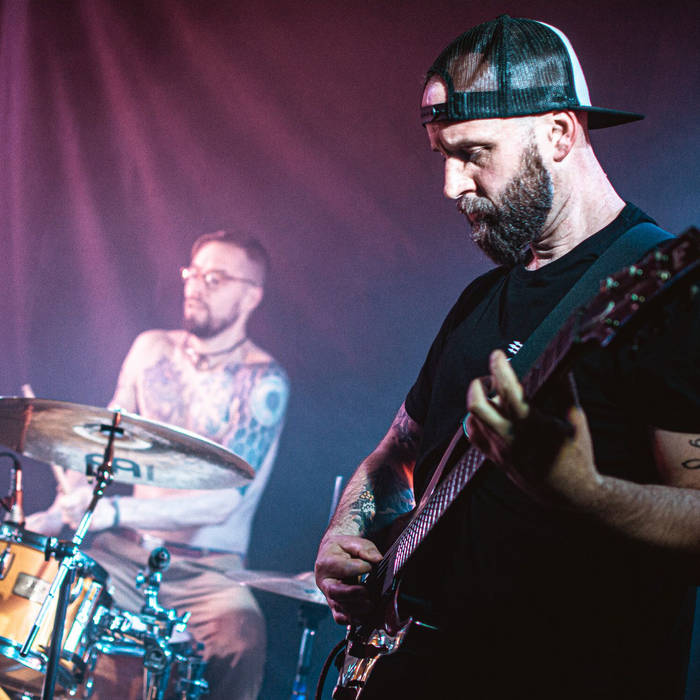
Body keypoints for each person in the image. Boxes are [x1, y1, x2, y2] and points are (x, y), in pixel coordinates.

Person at [314, 16, 699, 700]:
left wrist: (587, 493)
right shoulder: (481, 299)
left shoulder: (664, 292)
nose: (451, 185)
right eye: (443, 156)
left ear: (558, 133)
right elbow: (398, 452)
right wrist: (347, 531)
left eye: (474, 153)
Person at [27, 230, 290, 700]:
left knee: (242, 639)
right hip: (124, 555)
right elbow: (103, 443)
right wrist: (60, 511)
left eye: (215, 278)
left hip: (209, 575)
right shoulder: (150, 349)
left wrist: (110, 511)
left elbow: (221, 503)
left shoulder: (263, 380)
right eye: (193, 274)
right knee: (47, 598)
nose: (196, 287)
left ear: (251, 295)